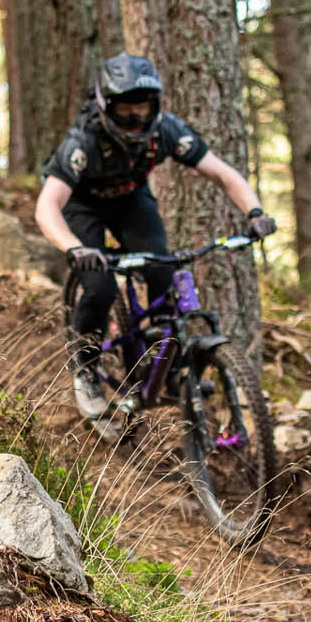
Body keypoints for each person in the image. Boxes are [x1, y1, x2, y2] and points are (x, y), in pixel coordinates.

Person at [33, 54, 275, 418]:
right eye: (126, 113)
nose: (135, 121)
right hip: (82, 206)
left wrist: (255, 212)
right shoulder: (81, 142)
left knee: (163, 274)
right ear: (106, 107)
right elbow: (47, 205)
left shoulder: (167, 131)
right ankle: (85, 370)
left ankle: (171, 372)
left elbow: (223, 174)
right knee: (100, 288)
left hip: (131, 201)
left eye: (143, 112)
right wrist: (75, 248)